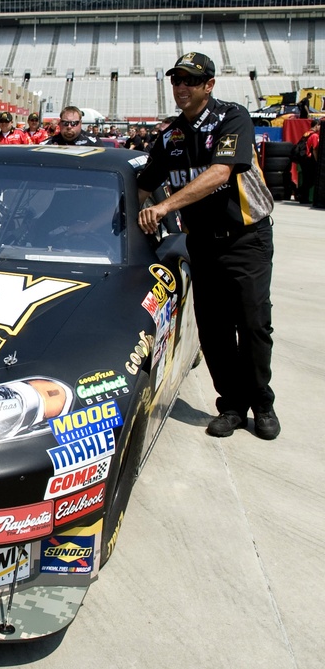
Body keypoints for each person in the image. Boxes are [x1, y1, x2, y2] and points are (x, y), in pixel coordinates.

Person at [137, 52, 279, 440]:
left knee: (253, 324)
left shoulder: (232, 118)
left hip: (246, 239)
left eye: (190, 81)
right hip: (201, 243)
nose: (181, 87)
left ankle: (262, 402)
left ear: (208, 86)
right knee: (214, 329)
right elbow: (143, 186)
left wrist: (164, 206)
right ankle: (231, 405)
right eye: (176, 80)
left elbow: (220, 172)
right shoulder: (170, 137)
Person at [296, 118, 319, 204]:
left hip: (303, 159)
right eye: (319, 125)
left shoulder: (306, 133)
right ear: (316, 125)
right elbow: (314, 149)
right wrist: (317, 161)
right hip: (309, 160)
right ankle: (300, 192)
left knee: (306, 179)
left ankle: (303, 197)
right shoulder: (315, 136)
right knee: (311, 179)